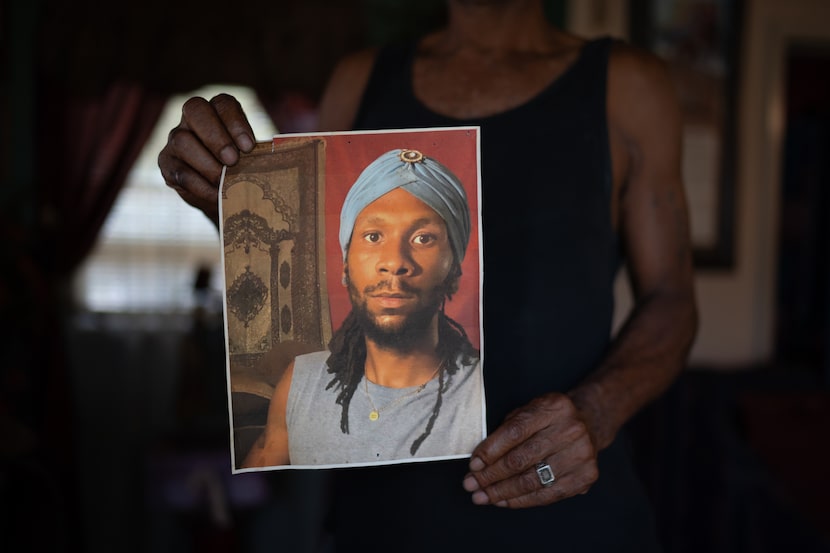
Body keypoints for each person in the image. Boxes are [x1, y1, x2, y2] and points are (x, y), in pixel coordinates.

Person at [158, 0, 698, 549]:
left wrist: (597, 410)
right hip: (384, 522)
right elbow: (308, 260)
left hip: (570, 519)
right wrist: (223, 193)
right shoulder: (360, 81)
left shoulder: (627, 87)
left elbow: (673, 298)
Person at [242, 148, 484, 468]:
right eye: (373, 236)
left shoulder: (483, 390)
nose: (395, 262)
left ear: (454, 270)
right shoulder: (302, 380)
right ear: (345, 266)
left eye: (424, 238)